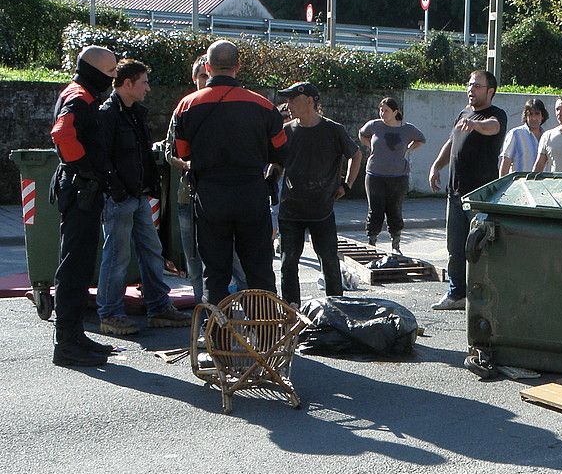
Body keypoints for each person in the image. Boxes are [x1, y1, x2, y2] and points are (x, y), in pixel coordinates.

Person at [172, 40, 288, 302]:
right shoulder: (263, 106)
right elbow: (281, 150)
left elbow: (183, 153)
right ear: (238, 66)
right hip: (251, 193)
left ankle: (218, 336)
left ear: (208, 67)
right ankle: (265, 334)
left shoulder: (186, 106)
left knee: (215, 273)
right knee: (259, 271)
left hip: (210, 195)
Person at [92, 60, 191, 335]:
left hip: (136, 195)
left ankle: (159, 307)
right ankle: (110, 314)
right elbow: (101, 157)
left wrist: (147, 187)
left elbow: (140, 154)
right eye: (144, 82)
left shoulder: (135, 113)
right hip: (121, 197)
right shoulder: (109, 114)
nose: (148, 87)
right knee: (117, 255)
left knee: (151, 251)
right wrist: (117, 190)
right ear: (127, 83)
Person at [48, 45, 119, 366]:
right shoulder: (80, 96)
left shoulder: (81, 92)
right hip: (80, 190)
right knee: (75, 267)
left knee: (79, 263)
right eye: (109, 72)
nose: (114, 77)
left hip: (80, 189)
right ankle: (66, 343)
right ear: (92, 71)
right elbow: (62, 134)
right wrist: (86, 169)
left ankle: (75, 336)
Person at [164, 56, 247, 302]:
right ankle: (206, 317)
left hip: (227, 194)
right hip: (190, 194)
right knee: (194, 259)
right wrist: (191, 164)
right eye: (201, 77)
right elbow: (170, 152)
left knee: (236, 259)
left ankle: (250, 316)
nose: (206, 81)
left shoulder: (234, 106)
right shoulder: (185, 108)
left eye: (207, 76)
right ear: (195, 78)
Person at [274, 83, 362, 306]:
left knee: (330, 262)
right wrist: (269, 177)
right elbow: (277, 163)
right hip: (290, 210)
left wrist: (347, 184)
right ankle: (291, 311)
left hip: (322, 209)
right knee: (288, 264)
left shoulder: (333, 130)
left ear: (310, 101)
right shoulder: (287, 131)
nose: (288, 104)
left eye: (294, 99)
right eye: (288, 99)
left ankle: (335, 310)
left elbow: (356, 154)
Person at [427, 70, 507, 311]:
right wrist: (436, 166)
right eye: (470, 85)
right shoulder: (463, 113)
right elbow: (452, 142)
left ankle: (483, 294)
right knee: (455, 247)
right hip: (455, 192)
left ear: (490, 91)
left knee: (480, 247)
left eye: (477, 86)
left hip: (480, 195)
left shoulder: (496, 115)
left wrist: (475, 124)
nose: (471, 89)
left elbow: (492, 127)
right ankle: (456, 294)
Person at [359, 97, 425, 253]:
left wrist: (408, 148)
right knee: (375, 210)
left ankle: (396, 245)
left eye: (386, 110)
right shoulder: (374, 125)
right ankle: (371, 243)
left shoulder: (407, 129)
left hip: (398, 176)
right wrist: (371, 146)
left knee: (394, 209)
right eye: (381, 110)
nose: (382, 113)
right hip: (375, 174)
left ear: (396, 112)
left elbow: (421, 139)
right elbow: (362, 134)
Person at [499, 98, 549, 175]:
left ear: (542, 116)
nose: (534, 118)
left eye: (537, 113)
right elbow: (506, 162)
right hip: (519, 185)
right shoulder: (515, 134)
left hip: (541, 185)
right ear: (526, 116)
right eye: (530, 114)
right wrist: (502, 185)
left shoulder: (547, 137)